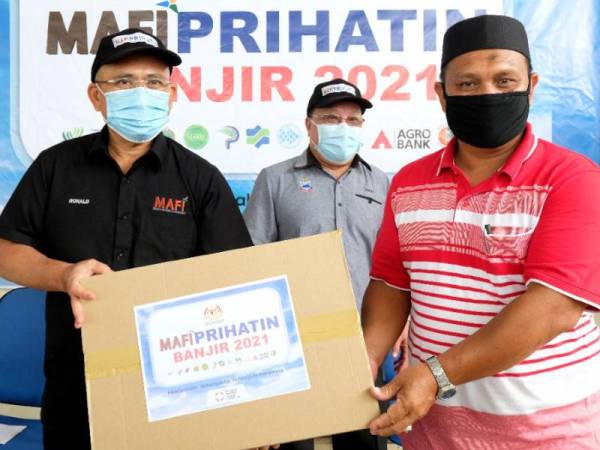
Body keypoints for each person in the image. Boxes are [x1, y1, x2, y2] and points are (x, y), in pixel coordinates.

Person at [0, 28, 254, 450]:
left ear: (171, 96)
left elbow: (237, 283)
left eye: (154, 82)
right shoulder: (55, 167)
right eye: (123, 82)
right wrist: (64, 275)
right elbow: (6, 251)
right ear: (96, 96)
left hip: (177, 390)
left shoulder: (200, 179)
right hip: (74, 387)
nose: (141, 92)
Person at [362, 14, 600, 449]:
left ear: (532, 84)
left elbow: (552, 309)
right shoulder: (409, 181)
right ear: (442, 95)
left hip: (545, 435)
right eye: (468, 84)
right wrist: (362, 359)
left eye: (504, 81)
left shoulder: (573, 179)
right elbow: (391, 284)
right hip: (433, 431)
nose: (488, 93)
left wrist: (435, 375)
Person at [244, 78, 389, 450]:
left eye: (353, 120)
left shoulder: (383, 184)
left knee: (364, 438)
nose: (344, 127)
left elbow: (393, 263)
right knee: (293, 441)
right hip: (293, 340)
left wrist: (398, 325)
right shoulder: (275, 180)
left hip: (364, 338)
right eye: (331, 118)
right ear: (309, 125)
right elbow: (252, 260)